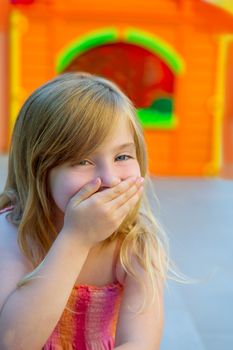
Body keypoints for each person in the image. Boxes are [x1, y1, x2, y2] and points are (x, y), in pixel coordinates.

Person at [0, 72, 170, 350]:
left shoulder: (135, 245)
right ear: (38, 170)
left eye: (122, 156)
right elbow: (13, 343)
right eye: (82, 160)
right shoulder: (13, 234)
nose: (111, 178)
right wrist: (76, 239)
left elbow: (141, 342)